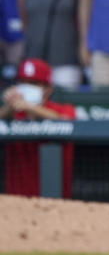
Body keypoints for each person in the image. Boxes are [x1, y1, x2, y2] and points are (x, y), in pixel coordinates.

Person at [1, 58, 75, 197]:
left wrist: (29, 107)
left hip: (55, 203)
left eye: (34, 83)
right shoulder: (12, 113)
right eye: (22, 83)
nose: (26, 87)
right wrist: (8, 107)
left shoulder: (63, 109)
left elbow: (67, 120)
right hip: (16, 201)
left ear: (48, 89)